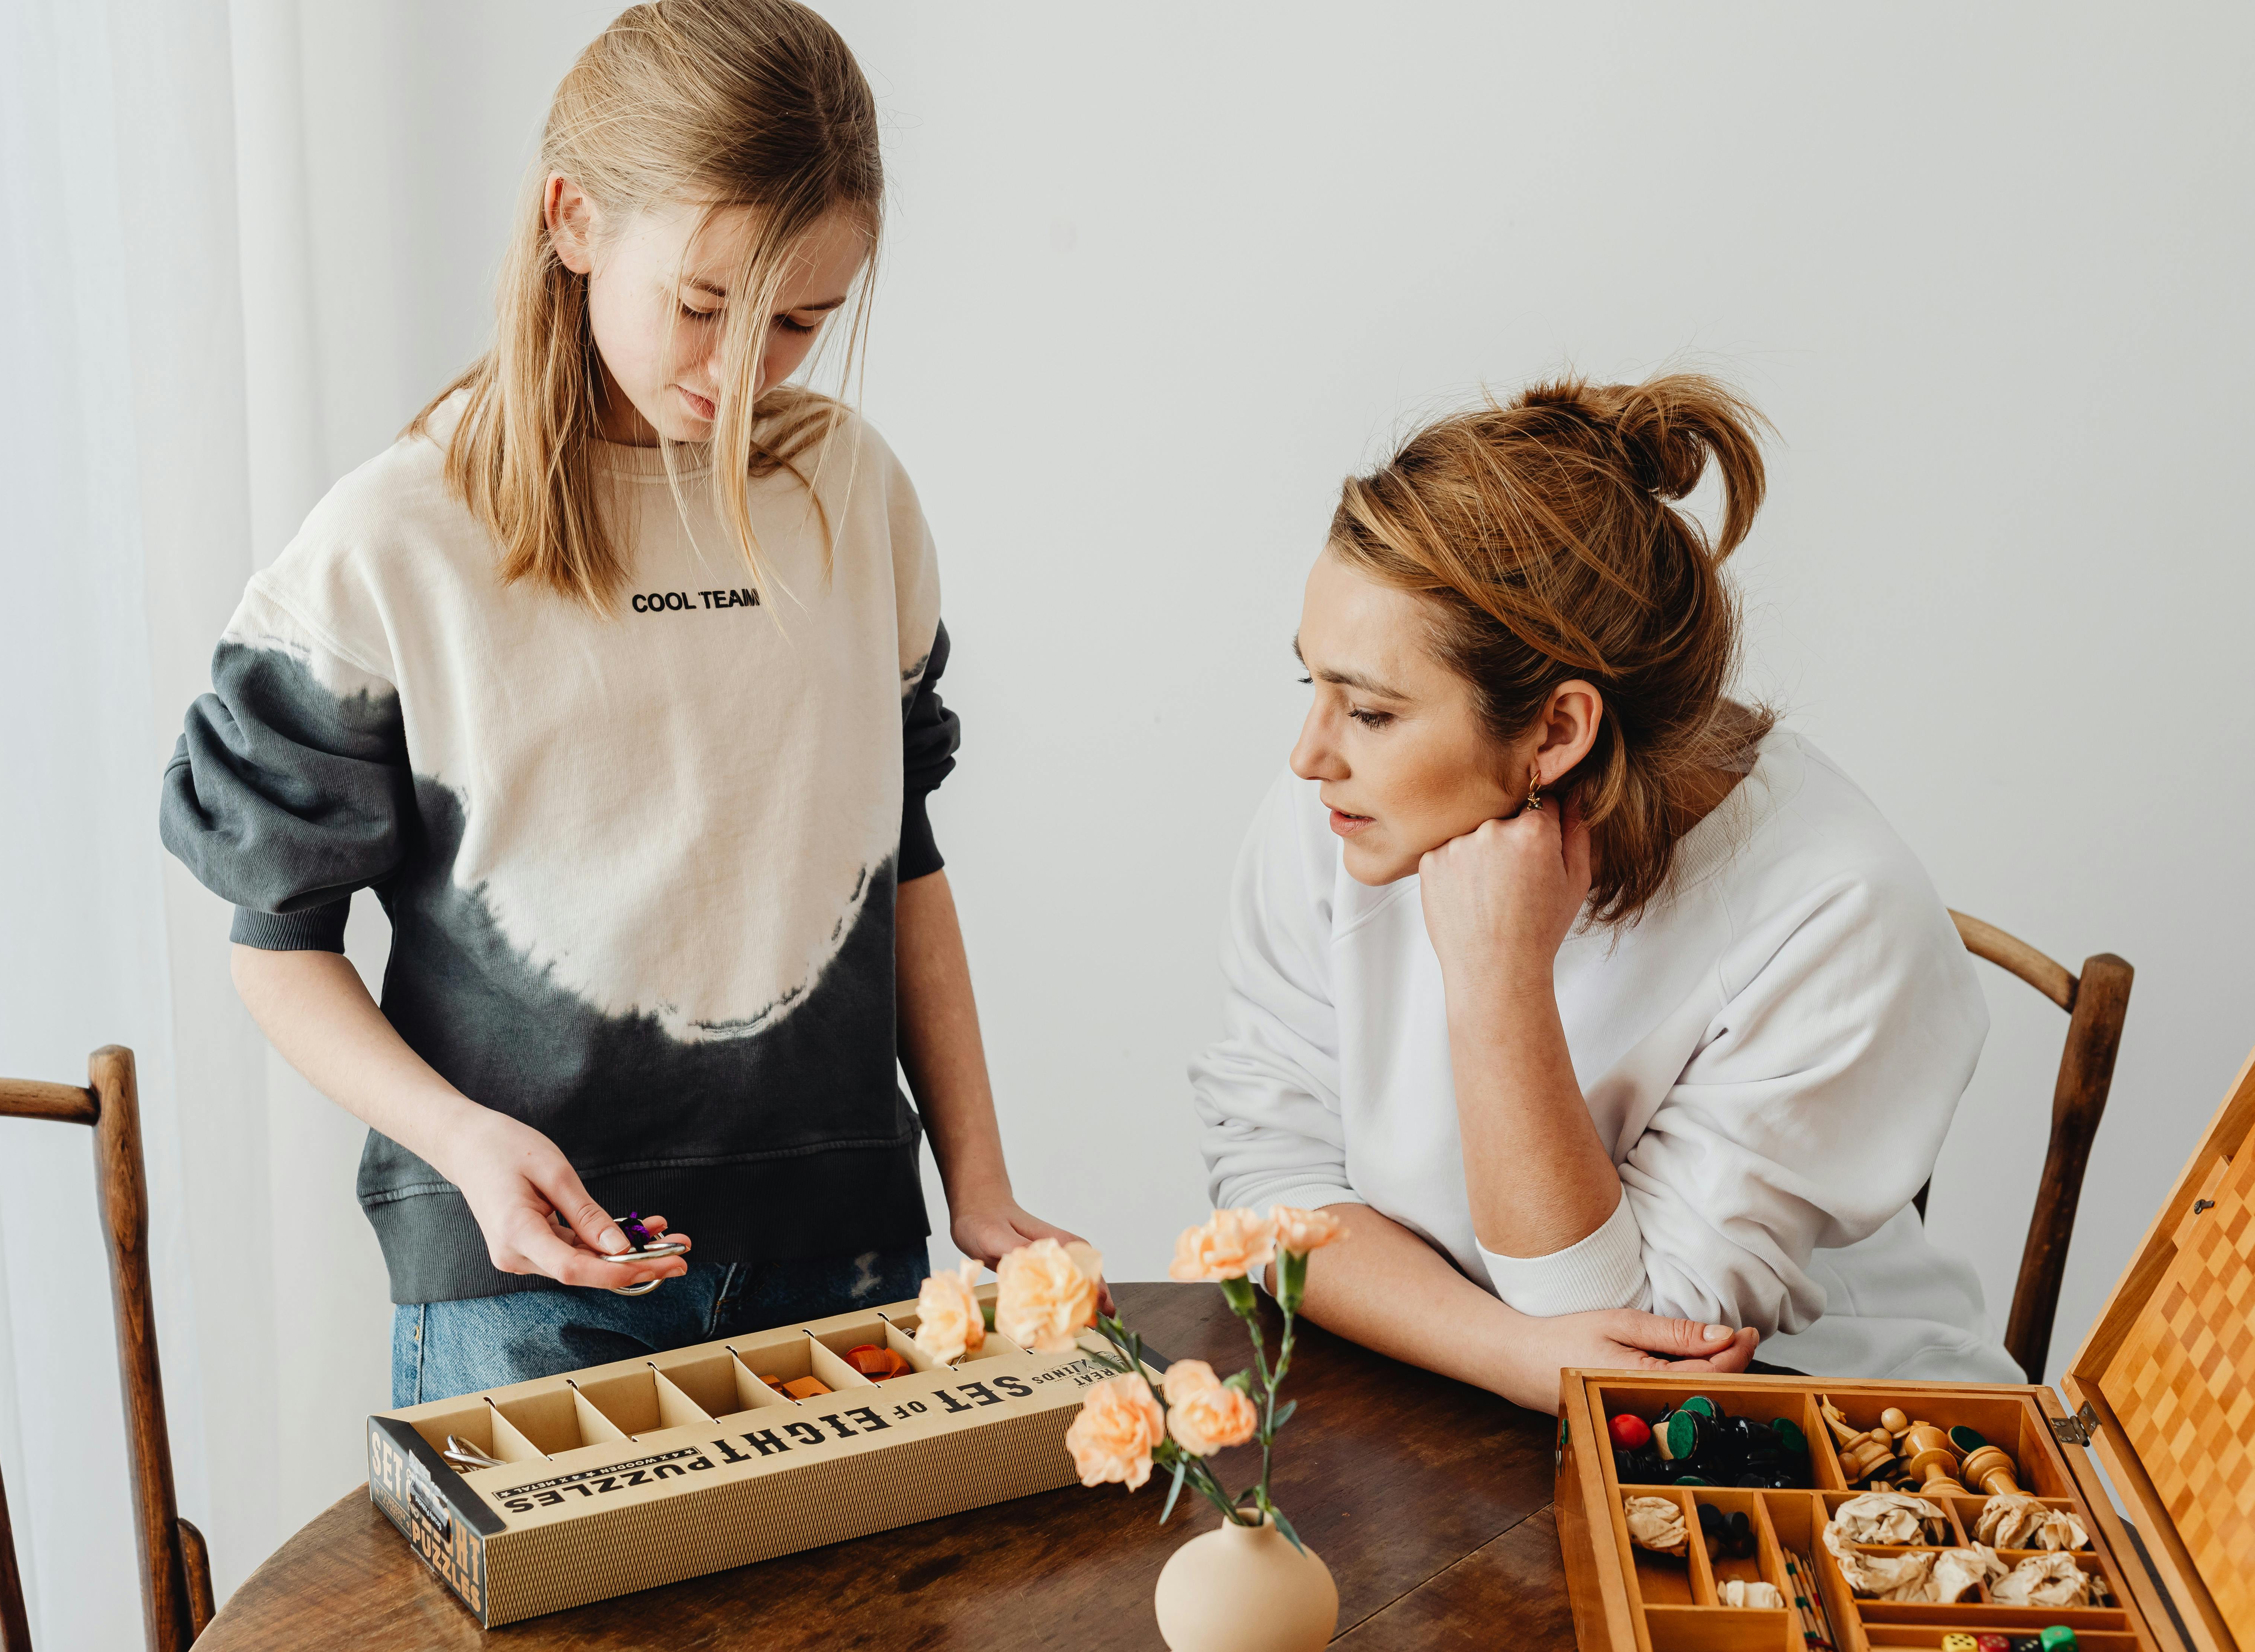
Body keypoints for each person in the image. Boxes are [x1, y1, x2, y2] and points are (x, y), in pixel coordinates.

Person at [161, 0, 1085, 1406]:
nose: (738, 372)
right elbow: (276, 941)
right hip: (527, 1297)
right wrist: (466, 1144)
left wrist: (980, 1176)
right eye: (705, 306)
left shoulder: (852, 497)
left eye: (798, 324)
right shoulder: (393, 540)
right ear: (573, 219)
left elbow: (902, 862)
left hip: (846, 1270)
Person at [1191, 373, 2022, 1411]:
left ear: (1555, 732)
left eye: (1366, 710)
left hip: (1810, 1428)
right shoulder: (1350, 803)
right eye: (1311, 683)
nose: (1308, 753)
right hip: (1460, 1397)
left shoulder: (1839, 913)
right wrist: (1494, 1348)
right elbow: (1269, 1182)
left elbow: (1642, 1352)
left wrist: (1500, 984)